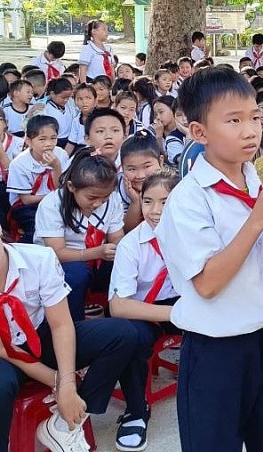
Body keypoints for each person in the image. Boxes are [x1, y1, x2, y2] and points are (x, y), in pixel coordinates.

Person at [156, 66, 263, 452]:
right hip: (217, 352)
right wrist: (258, 221)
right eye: (234, 120)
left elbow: (260, 263)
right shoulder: (189, 199)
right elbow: (208, 283)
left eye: (254, 118)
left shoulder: (260, 179)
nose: (250, 131)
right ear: (199, 132)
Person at [0, 239, 144, 452]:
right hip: (5, 354)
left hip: (39, 336)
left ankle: (65, 425)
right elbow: (3, 348)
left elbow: (60, 325)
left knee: (122, 334)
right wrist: (56, 380)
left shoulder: (38, 258)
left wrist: (67, 386)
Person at [109, 169, 182, 451]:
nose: (155, 210)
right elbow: (118, 306)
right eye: (148, 201)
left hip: (182, 300)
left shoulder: (193, 233)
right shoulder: (131, 245)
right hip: (143, 309)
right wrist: (174, 315)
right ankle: (136, 411)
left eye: (165, 201)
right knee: (131, 338)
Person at [34, 147, 123, 321]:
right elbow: (56, 253)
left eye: (104, 198)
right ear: (71, 187)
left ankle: (113, 312)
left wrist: (118, 248)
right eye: (91, 198)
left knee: (122, 262)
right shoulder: (53, 204)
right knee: (76, 273)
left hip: (98, 258)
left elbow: (117, 236)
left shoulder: (113, 199)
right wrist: (97, 252)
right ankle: (73, 323)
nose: (98, 203)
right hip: (63, 264)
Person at [7, 115, 69, 240]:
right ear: (29, 141)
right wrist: (51, 198)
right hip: (29, 206)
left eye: (53, 138)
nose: (49, 144)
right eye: (42, 139)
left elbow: (62, 186)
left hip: (56, 201)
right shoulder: (19, 163)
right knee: (38, 230)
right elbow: (26, 200)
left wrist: (56, 166)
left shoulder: (61, 154)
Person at [42, 77, 75, 149]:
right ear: (52, 94)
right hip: (53, 142)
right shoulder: (43, 108)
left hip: (70, 141)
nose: (66, 100)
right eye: (63, 97)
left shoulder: (70, 104)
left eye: (68, 97)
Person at [65, 83, 98, 155]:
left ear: (95, 101)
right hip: (79, 152)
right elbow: (71, 144)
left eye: (88, 98)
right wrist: (63, 159)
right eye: (80, 99)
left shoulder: (100, 119)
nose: (84, 102)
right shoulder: (76, 120)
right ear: (75, 102)